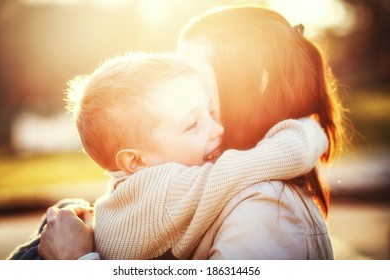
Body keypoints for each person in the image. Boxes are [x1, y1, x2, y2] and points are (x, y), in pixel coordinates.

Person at [36, 5, 346, 260]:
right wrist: (311, 128)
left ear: (249, 90)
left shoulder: (263, 207)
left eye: (192, 71)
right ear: (134, 159)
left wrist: (75, 262)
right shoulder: (181, 187)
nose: (183, 83)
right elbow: (284, 152)